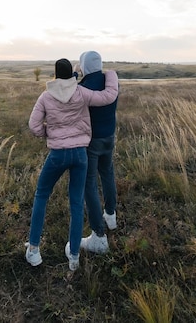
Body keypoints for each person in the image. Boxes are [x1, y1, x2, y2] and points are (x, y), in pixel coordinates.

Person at [25, 58, 119, 271]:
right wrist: (111, 74)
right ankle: (74, 257)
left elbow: (33, 126)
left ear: (55, 75)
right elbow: (107, 96)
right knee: (76, 203)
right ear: (73, 74)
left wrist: (49, 133)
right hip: (80, 156)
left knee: (41, 195)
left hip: (58, 154)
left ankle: (33, 250)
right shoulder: (81, 92)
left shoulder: (46, 97)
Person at [77, 51, 118, 254]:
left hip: (91, 141)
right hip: (109, 137)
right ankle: (110, 215)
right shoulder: (111, 84)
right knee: (107, 174)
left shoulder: (83, 88)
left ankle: (98, 236)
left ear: (83, 65)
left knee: (89, 184)